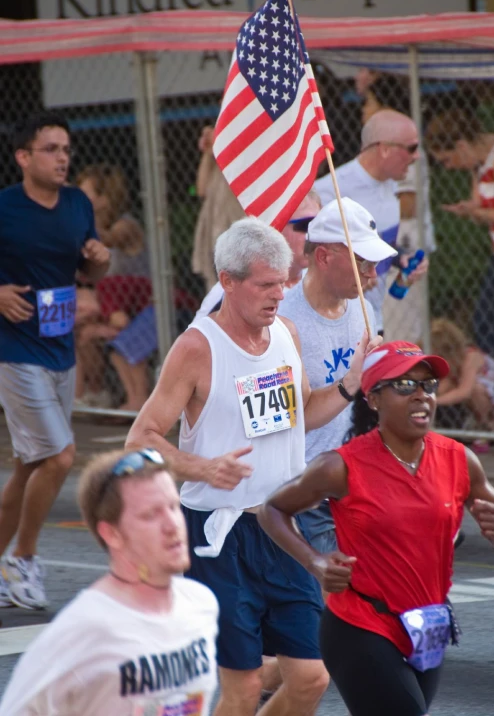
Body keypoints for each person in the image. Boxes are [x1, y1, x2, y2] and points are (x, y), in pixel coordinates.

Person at [126, 216, 380, 716]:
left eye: (283, 283)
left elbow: (300, 415)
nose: (279, 296)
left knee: (311, 676)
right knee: (241, 689)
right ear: (228, 281)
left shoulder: (285, 333)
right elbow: (143, 436)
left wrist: (351, 382)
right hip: (218, 537)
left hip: (280, 524)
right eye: (265, 285)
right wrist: (201, 468)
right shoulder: (197, 348)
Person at [258, 340, 494, 716]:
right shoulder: (339, 466)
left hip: (427, 626)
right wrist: (314, 562)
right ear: (374, 398)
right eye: (404, 385)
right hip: (361, 625)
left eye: (428, 386)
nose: (421, 395)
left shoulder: (459, 460)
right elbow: (273, 509)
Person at [0, 447, 219, 715]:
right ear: (111, 534)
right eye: (151, 515)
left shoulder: (200, 605)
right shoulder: (83, 633)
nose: (173, 524)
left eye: (173, 506)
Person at [0, 112, 110, 611]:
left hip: (60, 347)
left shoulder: (77, 204)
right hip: (15, 348)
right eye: (50, 149)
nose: (63, 157)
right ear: (24, 157)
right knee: (61, 455)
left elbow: (85, 267)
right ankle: (23, 558)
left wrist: (98, 259)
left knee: (31, 465)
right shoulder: (5, 208)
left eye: (66, 148)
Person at [279, 197, 396, 555]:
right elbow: (293, 419)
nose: (372, 277)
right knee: (332, 589)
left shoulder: (364, 311)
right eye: (363, 263)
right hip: (304, 482)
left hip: (353, 476)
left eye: (375, 264)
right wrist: (353, 380)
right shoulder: (282, 320)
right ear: (324, 257)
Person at [425, 108, 494, 453]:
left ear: (461, 144)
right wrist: (472, 207)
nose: (447, 167)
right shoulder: (482, 161)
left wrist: (479, 213)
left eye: (446, 159)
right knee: (487, 327)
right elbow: (489, 202)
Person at [315, 109, 429, 335]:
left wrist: (401, 259)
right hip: (336, 322)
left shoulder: (391, 183)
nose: (417, 156)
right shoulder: (330, 191)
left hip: (373, 319)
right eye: (411, 148)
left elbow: (375, 242)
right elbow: (310, 258)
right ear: (385, 149)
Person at [359, 74, 436, 343]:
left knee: (401, 330)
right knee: (385, 324)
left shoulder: (404, 150)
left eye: (369, 103)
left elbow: (408, 205)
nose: (363, 110)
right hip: (387, 253)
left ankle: (408, 381)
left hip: (405, 251)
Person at [75, 163, 152, 411]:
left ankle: (127, 397)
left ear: (105, 198)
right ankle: (96, 392)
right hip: (112, 305)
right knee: (79, 327)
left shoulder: (126, 225)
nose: (79, 198)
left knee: (87, 323)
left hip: (137, 306)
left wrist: (78, 216)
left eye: (85, 194)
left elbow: (106, 239)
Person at [193, 189, 322, 320]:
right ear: (276, 226)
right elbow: (197, 337)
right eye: (305, 225)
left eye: (318, 225)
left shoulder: (323, 283)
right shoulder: (236, 286)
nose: (314, 235)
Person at [431, 317, 494, 450]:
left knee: (474, 389)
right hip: (478, 392)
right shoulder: (453, 364)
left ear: (450, 351)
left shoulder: (471, 357)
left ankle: (487, 426)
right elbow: (444, 387)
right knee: (447, 385)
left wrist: (434, 401)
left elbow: (464, 391)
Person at [192, 124, 245, 292]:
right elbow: (201, 189)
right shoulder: (219, 152)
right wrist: (209, 153)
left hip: (240, 229)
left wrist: (222, 141)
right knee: (217, 287)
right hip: (217, 230)